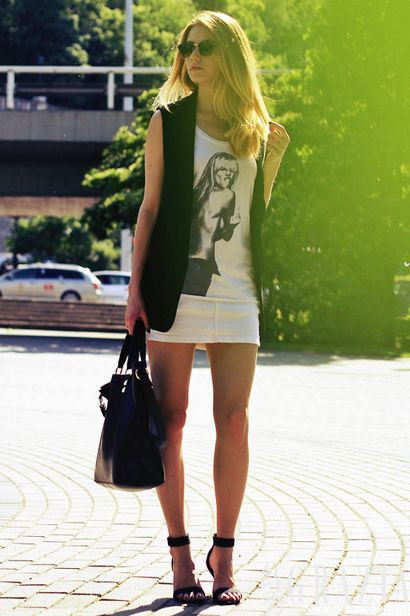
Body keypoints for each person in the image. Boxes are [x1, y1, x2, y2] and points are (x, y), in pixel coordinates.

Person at [125, 9, 290, 606]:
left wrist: (272, 162)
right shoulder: (168, 122)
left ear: (230, 54)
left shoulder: (255, 128)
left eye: (205, 47)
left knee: (235, 420)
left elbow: (250, 217)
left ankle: (225, 553)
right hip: (175, 289)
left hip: (238, 292)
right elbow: (150, 209)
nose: (192, 57)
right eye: (186, 47)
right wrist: (135, 291)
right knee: (170, 421)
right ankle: (180, 554)